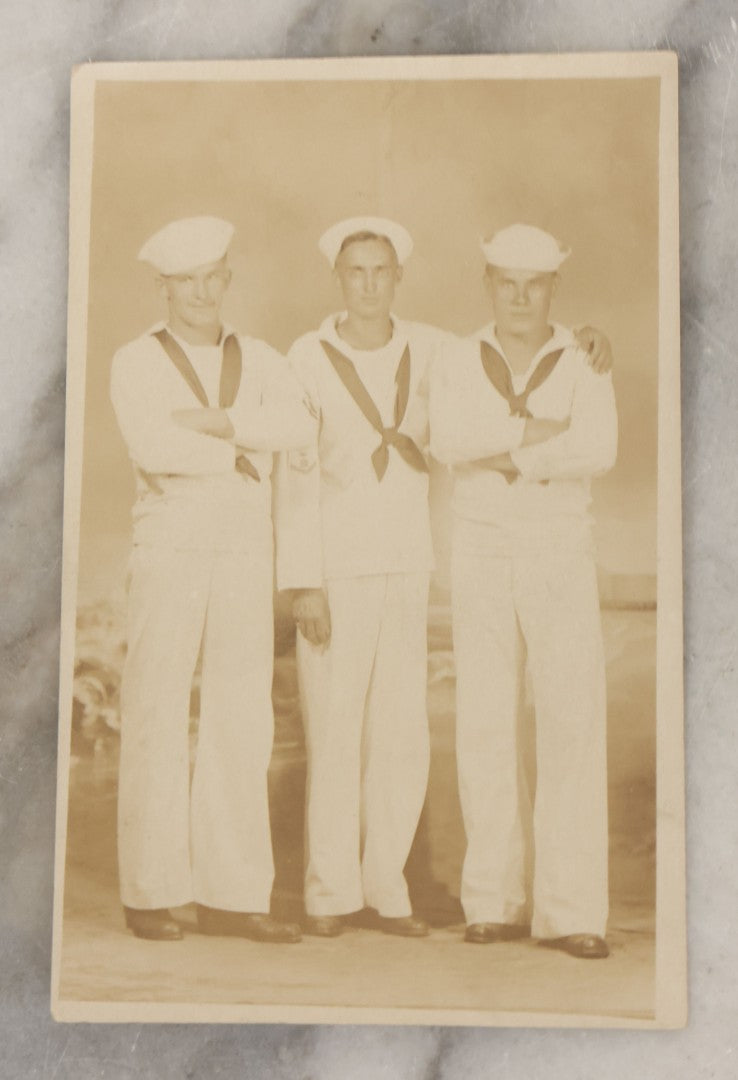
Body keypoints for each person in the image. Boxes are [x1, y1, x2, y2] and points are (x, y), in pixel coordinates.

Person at [110, 216, 314, 943]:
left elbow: (296, 427)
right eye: (183, 280)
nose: (199, 292)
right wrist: (240, 445)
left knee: (241, 710)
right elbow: (152, 443)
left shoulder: (258, 356)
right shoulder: (134, 360)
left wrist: (221, 424)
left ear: (227, 278)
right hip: (171, 536)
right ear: (163, 286)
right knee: (158, 702)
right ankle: (151, 890)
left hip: (242, 542)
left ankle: (233, 894)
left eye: (211, 276)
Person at [430, 224, 617, 959]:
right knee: (485, 715)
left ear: (552, 289)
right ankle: (494, 901)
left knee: (570, 714)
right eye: (505, 281)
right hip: (479, 544)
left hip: (558, 542)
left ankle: (573, 910)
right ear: (488, 284)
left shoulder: (585, 357)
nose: (518, 296)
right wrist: (539, 437)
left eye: (533, 283)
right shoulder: (455, 358)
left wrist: (501, 448)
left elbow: (597, 448)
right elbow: (447, 438)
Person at [275, 217, 443, 938]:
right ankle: (330, 893)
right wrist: (303, 582)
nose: (369, 285)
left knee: (401, 733)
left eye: (380, 271)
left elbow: (515, 355)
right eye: (355, 272)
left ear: (398, 277)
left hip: (408, 563)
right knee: (337, 731)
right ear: (337, 280)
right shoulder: (305, 358)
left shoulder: (433, 348)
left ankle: (389, 891)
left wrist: (586, 338)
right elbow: (296, 477)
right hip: (337, 568)